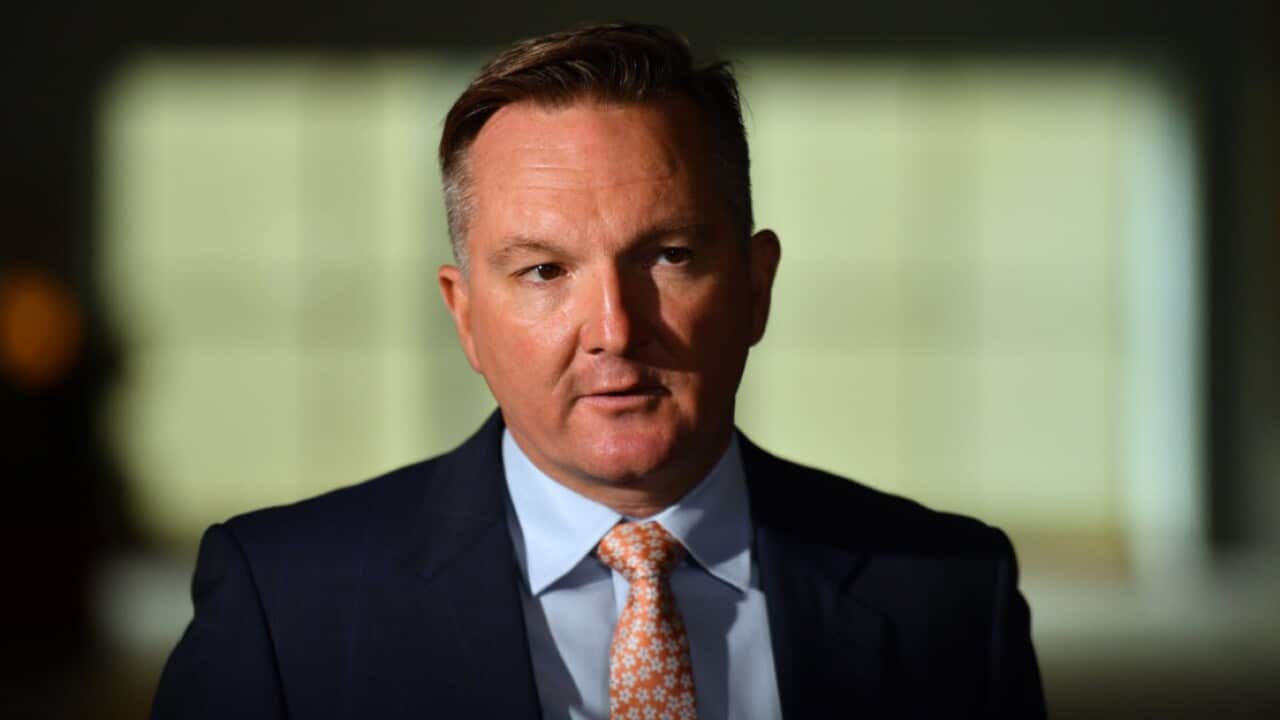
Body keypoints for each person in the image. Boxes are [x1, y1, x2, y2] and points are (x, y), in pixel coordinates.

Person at [153, 23, 1045, 719]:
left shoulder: (952, 595)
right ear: (464, 314)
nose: (615, 331)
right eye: (545, 271)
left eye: (668, 255)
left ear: (756, 285)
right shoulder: (284, 605)